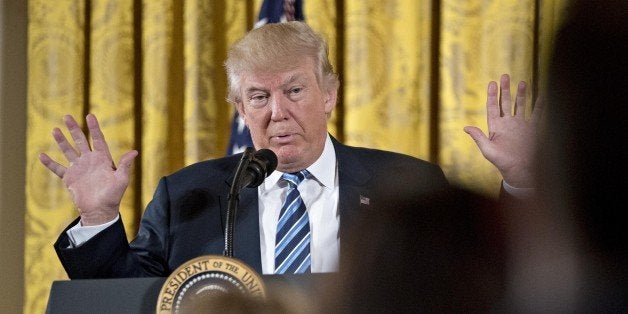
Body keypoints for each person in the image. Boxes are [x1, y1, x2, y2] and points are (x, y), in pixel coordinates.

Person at [39, 21, 535, 279]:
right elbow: (128, 299)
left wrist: (520, 184)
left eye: (294, 90)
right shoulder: (187, 195)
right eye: (259, 96)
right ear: (239, 108)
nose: (277, 111)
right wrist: (99, 217)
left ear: (330, 95)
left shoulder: (407, 185)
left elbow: (488, 279)